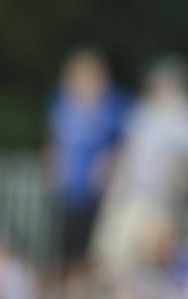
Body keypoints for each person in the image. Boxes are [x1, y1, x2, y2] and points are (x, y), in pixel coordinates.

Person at [93, 55, 188, 282]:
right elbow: (127, 153)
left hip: (169, 200)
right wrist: (109, 171)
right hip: (134, 194)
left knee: (153, 257)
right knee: (110, 255)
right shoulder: (143, 114)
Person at [44, 48, 132, 277]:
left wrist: (112, 163)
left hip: (103, 193)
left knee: (98, 254)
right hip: (70, 191)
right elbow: (55, 141)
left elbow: (125, 144)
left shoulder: (115, 106)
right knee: (66, 254)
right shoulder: (61, 104)